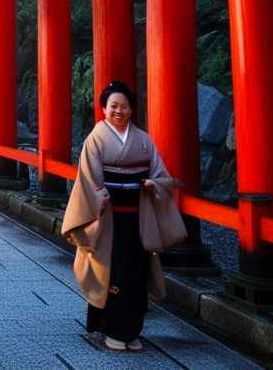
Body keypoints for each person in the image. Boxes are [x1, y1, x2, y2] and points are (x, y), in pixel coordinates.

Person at [62, 80, 185, 353]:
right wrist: (100, 196)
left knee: (137, 275)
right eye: (113, 106)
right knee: (114, 273)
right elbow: (89, 181)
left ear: (131, 109)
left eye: (124, 106)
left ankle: (131, 330)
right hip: (109, 219)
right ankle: (114, 329)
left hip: (139, 219)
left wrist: (155, 184)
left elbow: (161, 175)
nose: (119, 111)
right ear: (104, 109)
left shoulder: (143, 140)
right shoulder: (96, 139)